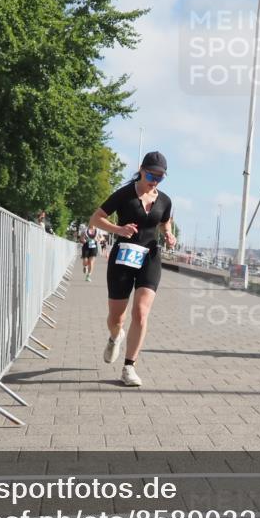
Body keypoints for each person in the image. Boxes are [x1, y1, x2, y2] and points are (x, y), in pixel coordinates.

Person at [88, 152, 176, 387]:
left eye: (160, 177)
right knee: (117, 317)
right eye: (151, 174)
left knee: (140, 312)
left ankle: (129, 367)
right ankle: (116, 336)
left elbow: (165, 220)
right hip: (123, 256)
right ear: (141, 169)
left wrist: (168, 232)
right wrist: (118, 229)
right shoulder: (124, 195)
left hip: (150, 256)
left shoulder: (165, 200)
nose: (154, 180)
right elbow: (95, 219)